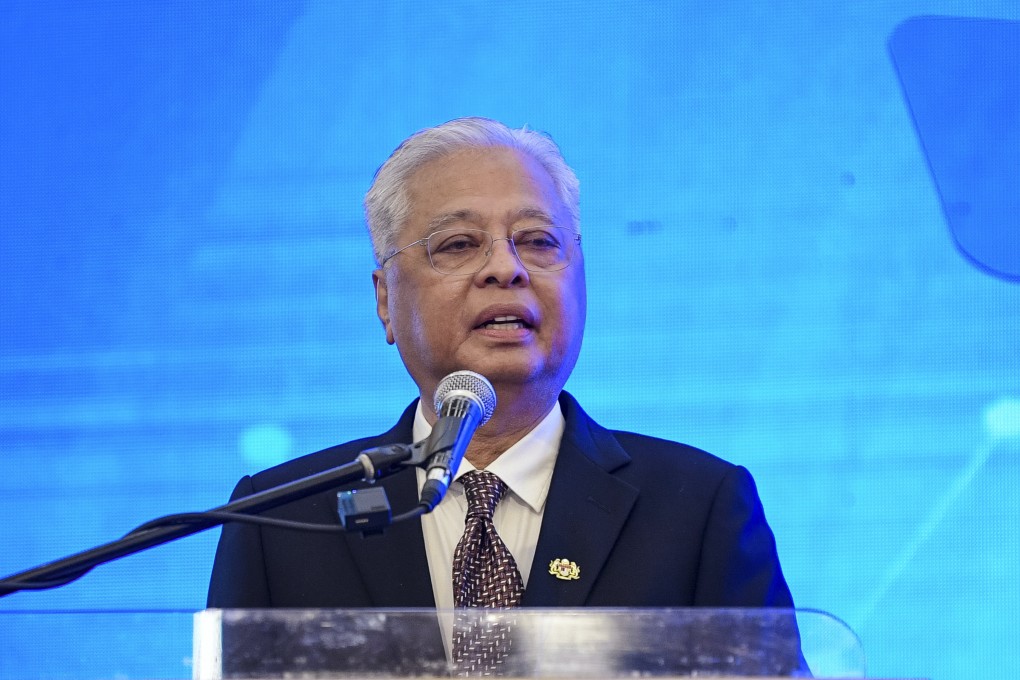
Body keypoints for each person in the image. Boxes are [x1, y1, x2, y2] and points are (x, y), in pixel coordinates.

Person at [207, 116, 794, 615]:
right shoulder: (280, 521)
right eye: (459, 244)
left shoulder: (697, 507)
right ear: (386, 300)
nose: (506, 269)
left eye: (539, 241)